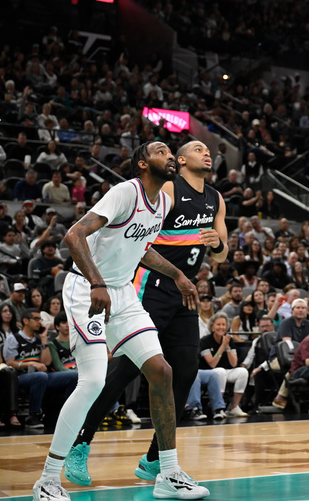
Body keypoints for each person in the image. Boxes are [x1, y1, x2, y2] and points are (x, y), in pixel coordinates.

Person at [32, 142, 209, 501]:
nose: (170, 156)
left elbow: (141, 248)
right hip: (87, 288)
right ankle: (48, 480)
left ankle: (168, 474)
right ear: (143, 163)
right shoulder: (125, 192)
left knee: (162, 371)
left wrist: (178, 275)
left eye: (171, 151)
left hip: (123, 293)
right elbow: (74, 235)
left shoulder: (161, 203)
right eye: (162, 151)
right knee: (95, 379)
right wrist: (97, 282)